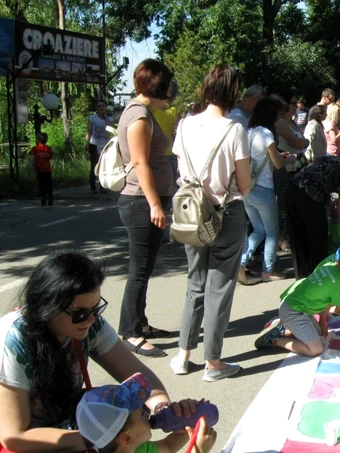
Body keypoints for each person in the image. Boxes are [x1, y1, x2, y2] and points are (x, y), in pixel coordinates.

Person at [0, 252, 191, 452]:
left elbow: (141, 378)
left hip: (71, 429)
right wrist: (101, 437)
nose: (91, 320)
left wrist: (165, 410)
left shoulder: (90, 324)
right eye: (80, 313)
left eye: (96, 308)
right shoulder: (15, 339)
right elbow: (14, 436)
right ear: (49, 306)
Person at [170, 65, 252, 381]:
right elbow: (243, 186)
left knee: (195, 282)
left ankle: (183, 355)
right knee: (219, 286)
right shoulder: (235, 130)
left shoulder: (185, 125)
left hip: (190, 211)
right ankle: (213, 362)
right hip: (225, 212)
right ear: (233, 94)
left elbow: (182, 171)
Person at [116, 59, 175, 357]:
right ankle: (129, 331)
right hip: (141, 202)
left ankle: (140, 322)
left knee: (146, 267)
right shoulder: (139, 116)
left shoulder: (145, 113)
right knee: (138, 270)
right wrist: (155, 204)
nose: (170, 93)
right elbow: (140, 163)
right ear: (157, 87)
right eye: (167, 87)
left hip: (146, 201)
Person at [254, 244, 340, 357]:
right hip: (293, 312)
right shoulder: (339, 285)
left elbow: (327, 301)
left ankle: (283, 329)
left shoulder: (330, 266)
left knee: (320, 334)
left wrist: (322, 323)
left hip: (296, 307)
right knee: (316, 349)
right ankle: (275, 339)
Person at [76, 373, 217, 453]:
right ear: (126, 438)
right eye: (142, 415)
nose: (148, 413)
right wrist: (199, 450)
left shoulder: (136, 449)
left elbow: (168, 447)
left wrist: (187, 424)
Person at [286, 151, 340, 277]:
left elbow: (331, 191)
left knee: (298, 240)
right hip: (310, 198)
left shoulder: (332, 160)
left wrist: (331, 206)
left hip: (292, 191)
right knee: (317, 241)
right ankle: (320, 276)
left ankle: (302, 279)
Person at [239, 97, 296, 283]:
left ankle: (241, 263)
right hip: (263, 187)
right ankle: (268, 271)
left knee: (258, 229)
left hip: (247, 187)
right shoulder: (266, 134)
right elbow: (278, 164)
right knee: (272, 231)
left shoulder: (248, 132)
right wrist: (290, 159)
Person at [275, 97, 309, 252]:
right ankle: (282, 238)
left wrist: (303, 142)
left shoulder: (292, 122)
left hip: (296, 165)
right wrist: (303, 142)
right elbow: (298, 143)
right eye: (293, 103)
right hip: (285, 166)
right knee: (283, 201)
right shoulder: (281, 122)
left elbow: (302, 142)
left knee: (295, 202)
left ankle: (291, 234)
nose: (296, 106)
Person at [85, 99, 114, 194]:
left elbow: (110, 130)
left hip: (105, 144)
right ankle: (93, 188)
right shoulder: (92, 118)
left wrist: (105, 119)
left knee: (104, 166)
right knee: (94, 165)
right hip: (94, 143)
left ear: (105, 107)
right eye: (99, 106)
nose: (101, 107)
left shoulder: (109, 119)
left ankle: (102, 186)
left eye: (102, 106)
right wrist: (87, 143)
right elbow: (89, 131)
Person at [29, 132, 54, 207]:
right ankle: (50, 197)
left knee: (41, 184)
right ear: (46, 140)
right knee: (48, 184)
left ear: (38, 140)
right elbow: (53, 156)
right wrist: (47, 157)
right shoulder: (48, 148)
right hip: (47, 170)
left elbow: (31, 158)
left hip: (39, 170)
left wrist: (32, 166)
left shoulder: (35, 149)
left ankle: (43, 198)